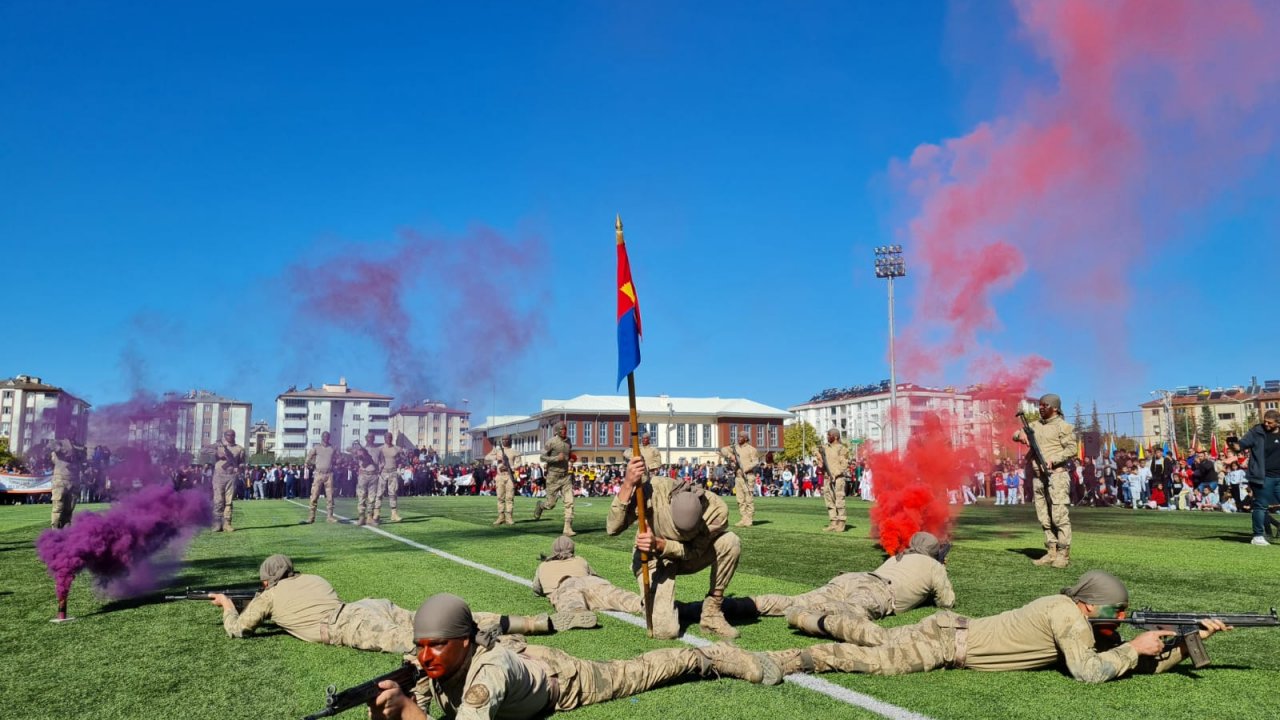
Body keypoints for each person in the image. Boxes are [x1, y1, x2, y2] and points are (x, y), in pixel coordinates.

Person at [766, 570, 1233, 683]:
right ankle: (795, 658)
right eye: (1117, 612)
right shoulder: (1067, 616)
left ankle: (810, 617)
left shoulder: (1072, 611)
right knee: (878, 662)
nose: (1121, 621)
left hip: (950, 627)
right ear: (1090, 607)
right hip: (950, 643)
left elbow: (1125, 660)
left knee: (880, 633)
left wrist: (1190, 642)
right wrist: (1138, 646)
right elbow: (1089, 672)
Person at [366, 593, 780, 720]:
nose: (426, 654)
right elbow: (422, 693)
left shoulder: (487, 671)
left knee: (641, 670)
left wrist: (407, 712)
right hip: (522, 659)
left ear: (465, 641)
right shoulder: (428, 660)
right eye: (421, 644)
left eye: (437, 644)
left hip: (562, 680)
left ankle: (711, 657)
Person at [210, 555, 562, 654]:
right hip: (367, 606)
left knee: (424, 642)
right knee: (435, 615)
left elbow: (240, 629)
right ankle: (530, 622)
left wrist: (228, 605)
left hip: (349, 624)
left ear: (268, 580)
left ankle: (506, 645)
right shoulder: (311, 579)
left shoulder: (269, 595)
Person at [607, 456, 742, 639]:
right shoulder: (651, 493)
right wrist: (628, 484)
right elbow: (612, 528)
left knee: (730, 541)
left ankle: (712, 613)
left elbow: (694, 550)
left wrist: (664, 544)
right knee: (665, 631)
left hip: (688, 554)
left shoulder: (716, 512)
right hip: (654, 557)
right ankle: (653, 603)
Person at [745, 531, 955, 622]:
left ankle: (741, 605)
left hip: (853, 579)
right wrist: (941, 568)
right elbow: (946, 602)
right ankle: (802, 618)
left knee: (797, 600)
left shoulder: (898, 557)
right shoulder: (933, 566)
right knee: (846, 612)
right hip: (878, 591)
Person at [1013, 394, 1078, 568]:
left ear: (1055, 408)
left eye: (1045, 405)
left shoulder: (1064, 427)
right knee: (1044, 516)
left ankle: (1063, 554)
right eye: (1040, 405)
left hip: (1056, 475)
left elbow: (1072, 449)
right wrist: (1020, 434)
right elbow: (1015, 434)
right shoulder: (1034, 425)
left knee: (1059, 516)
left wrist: (1054, 459)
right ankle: (1051, 551)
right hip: (1038, 477)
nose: (1041, 408)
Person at [531, 535, 642, 626]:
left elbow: (537, 589)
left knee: (570, 602)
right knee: (617, 595)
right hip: (591, 581)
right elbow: (595, 575)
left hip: (565, 585)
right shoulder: (580, 560)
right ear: (572, 549)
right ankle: (642, 603)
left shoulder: (543, 566)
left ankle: (577, 612)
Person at [1229, 409, 1280, 546]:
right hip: (1263, 477)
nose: (1266, 424)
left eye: (1270, 422)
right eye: (1265, 421)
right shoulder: (1257, 432)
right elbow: (1241, 445)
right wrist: (1233, 445)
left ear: (1278, 423)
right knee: (1261, 506)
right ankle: (1258, 536)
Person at [533, 422, 575, 536]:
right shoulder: (551, 442)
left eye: (565, 429)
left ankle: (567, 528)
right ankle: (541, 505)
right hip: (553, 477)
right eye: (562, 429)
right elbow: (542, 457)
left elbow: (569, 453)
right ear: (557, 431)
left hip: (566, 476)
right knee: (550, 504)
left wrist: (572, 457)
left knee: (569, 502)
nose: (565, 431)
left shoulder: (569, 442)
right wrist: (556, 458)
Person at [718, 432, 760, 527]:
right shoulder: (735, 447)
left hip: (748, 477)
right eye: (738, 436)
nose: (739, 438)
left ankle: (749, 519)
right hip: (738, 477)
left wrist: (746, 468)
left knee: (748, 499)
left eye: (741, 437)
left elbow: (755, 462)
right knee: (740, 500)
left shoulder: (751, 449)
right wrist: (731, 456)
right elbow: (723, 449)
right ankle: (743, 518)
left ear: (746, 438)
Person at [49, 432, 86, 529]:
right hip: (60, 480)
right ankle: (55, 532)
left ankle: (66, 532)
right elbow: (51, 446)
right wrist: (69, 449)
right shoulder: (59, 443)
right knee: (58, 508)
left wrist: (79, 451)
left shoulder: (78, 446)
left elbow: (82, 460)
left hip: (74, 481)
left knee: (69, 510)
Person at [211, 429, 245, 533]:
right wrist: (217, 453)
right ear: (225, 436)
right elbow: (203, 450)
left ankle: (227, 523)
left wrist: (239, 468)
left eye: (233, 435)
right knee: (218, 500)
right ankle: (217, 524)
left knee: (229, 501)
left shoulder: (239, 449)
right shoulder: (219, 446)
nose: (231, 437)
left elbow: (243, 462)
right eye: (228, 435)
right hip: (219, 476)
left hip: (231, 476)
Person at [818, 428, 852, 532]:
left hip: (838, 478)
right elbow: (821, 464)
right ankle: (833, 522)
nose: (827, 437)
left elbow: (844, 464)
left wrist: (836, 474)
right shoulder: (825, 448)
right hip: (827, 478)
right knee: (829, 500)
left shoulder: (842, 448)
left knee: (839, 500)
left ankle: (841, 523)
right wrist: (818, 457)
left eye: (829, 435)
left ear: (835, 436)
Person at [305, 431, 338, 524]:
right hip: (318, 474)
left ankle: (330, 517)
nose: (326, 438)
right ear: (321, 437)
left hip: (329, 474)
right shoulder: (316, 448)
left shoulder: (332, 448)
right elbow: (308, 459)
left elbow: (338, 460)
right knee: (314, 496)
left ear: (329, 438)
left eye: (327, 436)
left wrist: (338, 456)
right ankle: (311, 517)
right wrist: (313, 465)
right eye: (324, 436)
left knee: (330, 497)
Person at [483, 436, 517, 526]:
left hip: (509, 476)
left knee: (510, 497)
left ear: (510, 440)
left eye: (507, 439)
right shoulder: (498, 451)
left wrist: (511, 467)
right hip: (500, 476)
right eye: (503, 440)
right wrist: (496, 457)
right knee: (500, 497)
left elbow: (518, 464)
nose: (505, 441)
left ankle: (509, 516)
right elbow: (486, 457)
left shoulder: (514, 451)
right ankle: (501, 516)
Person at [353, 432, 381, 526]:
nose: (370, 439)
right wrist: (362, 455)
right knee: (361, 496)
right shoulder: (361, 450)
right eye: (368, 437)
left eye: (372, 437)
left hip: (374, 475)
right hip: (363, 475)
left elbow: (382, 462)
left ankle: (369, 517)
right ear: (366, 438)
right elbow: (356, 457)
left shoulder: (378, 449)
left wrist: (379, 469)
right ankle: (361, 517)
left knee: (372, 497)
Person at [377, 433, 403, 523]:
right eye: (387, 437)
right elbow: (376, 460)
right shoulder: (380, 449)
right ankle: (376, 513)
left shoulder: (397, 449)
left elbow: (400, 460)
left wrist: (399, 469)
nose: (388, 439)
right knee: (379, 493)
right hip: (383, 472)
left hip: (393, 472)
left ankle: (394, 514)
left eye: (390, 437)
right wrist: (378, 469)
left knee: (393, 493)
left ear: (392, 438)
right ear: (384, 438)